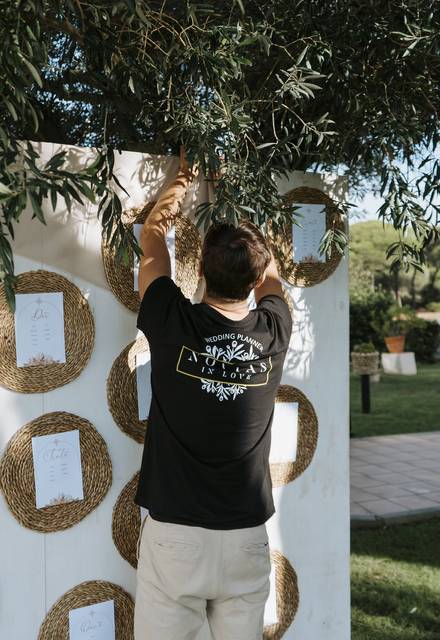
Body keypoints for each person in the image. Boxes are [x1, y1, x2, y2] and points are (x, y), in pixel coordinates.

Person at [132, 150, 293, 640]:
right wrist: (233, 194)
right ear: (256, 278)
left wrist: (185, 176)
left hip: (177, 535)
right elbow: (268, 275)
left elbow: (152, 236)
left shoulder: (169, 318)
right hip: (245, 535)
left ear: (199, 265)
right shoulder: (274, 330)